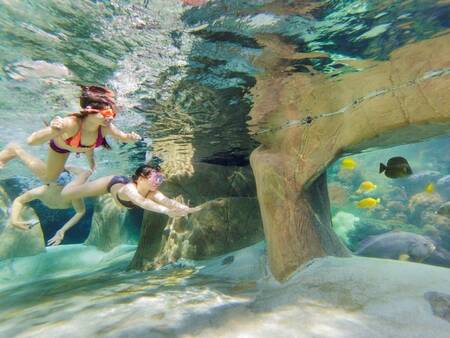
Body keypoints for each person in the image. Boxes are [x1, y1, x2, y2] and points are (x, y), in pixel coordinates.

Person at [0, 85, 141, 184]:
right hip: (62, 147)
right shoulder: (70, 124)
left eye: (112, 114)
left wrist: (131, 138)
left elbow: (123, 137)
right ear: (90, 110)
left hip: (86, 148)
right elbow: (31, 141)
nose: (110, 118)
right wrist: (53, 130)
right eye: (106, 114)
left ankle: (86, 163)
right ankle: (15, 150)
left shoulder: (105, 127)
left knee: (88, 156)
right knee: (48, 179)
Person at [60, 159, 201, 218]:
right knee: (66, 194)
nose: (158, 182)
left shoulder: (152, 192)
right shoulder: (129, 189)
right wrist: (166, 211)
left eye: (160, 179)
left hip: (121, 194)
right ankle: (83, 173)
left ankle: (83, 174)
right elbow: (142, 202)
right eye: (154, 179)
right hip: (111, 183)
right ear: (140, 179)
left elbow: (168, 201)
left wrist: (190, 210)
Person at [9, 167, 87, 246]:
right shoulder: (40, 192)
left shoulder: (72, 193)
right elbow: (18, 200)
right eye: (58, 179)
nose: (61, 182)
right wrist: (14, 220)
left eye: (65, 178)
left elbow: (80, 211)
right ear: (48, 181)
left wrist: (62, 230)